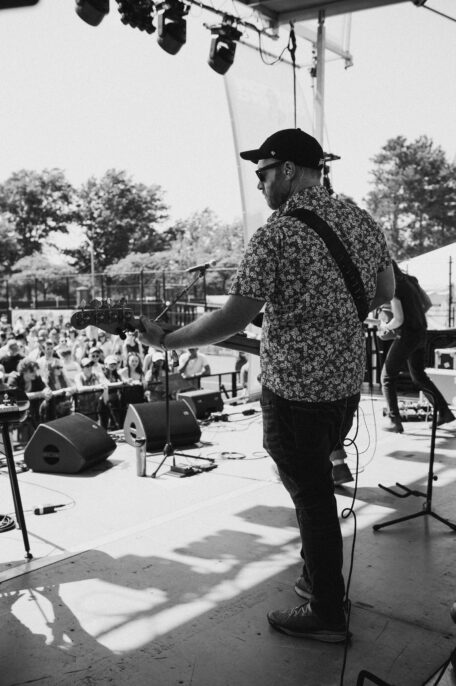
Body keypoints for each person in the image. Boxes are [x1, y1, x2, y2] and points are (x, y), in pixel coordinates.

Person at [137, 128, 394, 643]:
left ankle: (326, 610)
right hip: (344, 385)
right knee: (316, 483)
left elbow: (231, 319)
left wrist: (168, 341)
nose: (259, 183)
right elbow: (384, 290)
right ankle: (313, 577)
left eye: (264, 172)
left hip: (296, 391)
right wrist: (322, 317)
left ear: (292, 171)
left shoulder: (277, 233)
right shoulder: (361, 220)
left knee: (311, 496)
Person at [379, 260, 455, 433]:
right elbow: (427, 303)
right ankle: (444, 412)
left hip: (406, 334)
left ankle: (394, 421)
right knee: (419, 376)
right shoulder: (411, 280)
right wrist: (415, 316)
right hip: (421, 331)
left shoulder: (393, 287)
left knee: (387, 376)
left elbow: (398, 319)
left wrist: (385, 326)